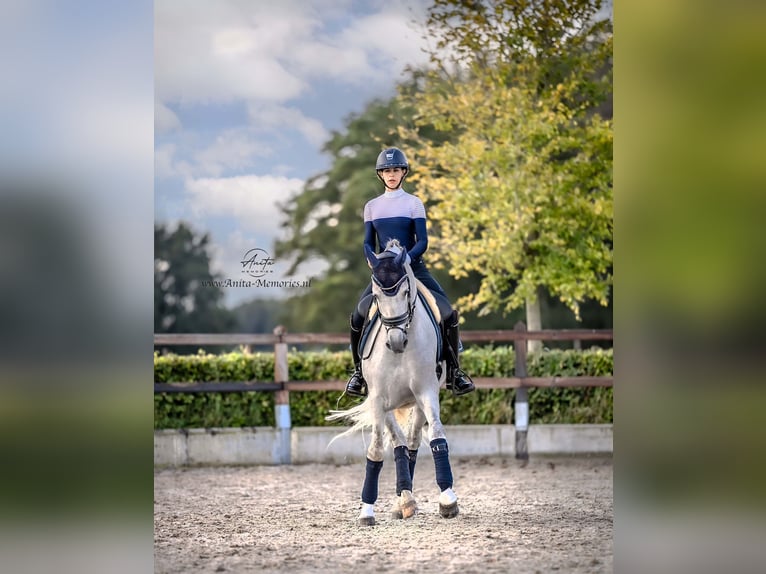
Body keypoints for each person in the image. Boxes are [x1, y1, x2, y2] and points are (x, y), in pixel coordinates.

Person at [345, 147, 475, 398]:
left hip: (413, 268)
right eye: (386, 171)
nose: (391, 174)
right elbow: (367, 242)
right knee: (358, 315)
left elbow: (422, 241)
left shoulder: (413, 203)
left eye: (395, 170)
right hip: (385, 272)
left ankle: (455, 373)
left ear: (403, 172)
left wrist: (407, 257)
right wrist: (372, 259)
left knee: (447, 311)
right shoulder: (372, 207)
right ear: (380, 175)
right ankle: (358, 373)